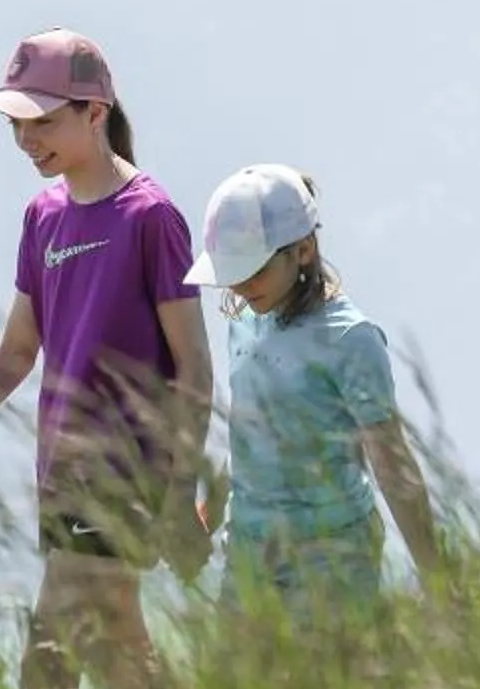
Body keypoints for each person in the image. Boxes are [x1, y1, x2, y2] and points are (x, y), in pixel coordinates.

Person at [0, 29, 213, 689]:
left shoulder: (150, 217)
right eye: (16, 126)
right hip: (61, 474)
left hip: (127, 472)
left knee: (47, 665)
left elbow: (195, 368)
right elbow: (14, 352)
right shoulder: (44, 218)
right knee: (117, 656)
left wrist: (180, 489)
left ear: (95, 112)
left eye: (43, 122)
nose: (27, 140)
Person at [187, 164, 444, 610]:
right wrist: (213, 505)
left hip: (331, 558)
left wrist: (435, 575)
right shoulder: (244, 322)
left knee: (324, 680)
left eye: (255, 271)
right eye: (233, 273)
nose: (243, 287)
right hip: (247, 553)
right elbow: (253, 429)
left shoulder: (351, 339)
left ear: (303, 250)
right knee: (243, 683)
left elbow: (391, 460)